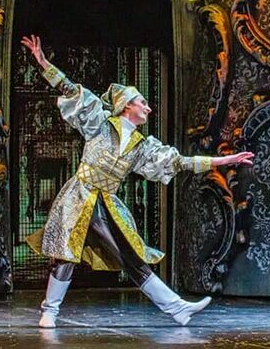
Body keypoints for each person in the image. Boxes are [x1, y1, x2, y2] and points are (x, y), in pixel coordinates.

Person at [21, 35, 254, 328]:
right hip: (79, 196)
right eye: (143, 102)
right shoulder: (100, 123)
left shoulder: (142, 147)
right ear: (126, 105)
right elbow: (69, 88)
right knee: (67, 253)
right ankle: (51, 311)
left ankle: (176, 308)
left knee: (124, 256)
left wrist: (223, 160)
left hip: (105, 203)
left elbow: (179, 161)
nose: (149, 108)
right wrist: (43, 62)